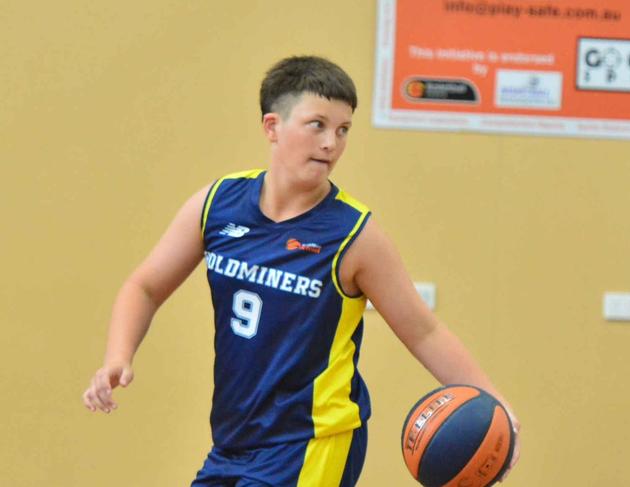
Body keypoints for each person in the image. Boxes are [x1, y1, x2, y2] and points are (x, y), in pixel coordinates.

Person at [83, 55, 520, 486]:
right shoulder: (217, 204)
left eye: (343, 130)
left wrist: (496, 407)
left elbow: (424, 331)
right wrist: (118, 357)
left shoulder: (353, 235)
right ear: (272, 127)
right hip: (232, 441)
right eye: (318, 125)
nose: (332, 143)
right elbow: (144, 286)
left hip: (312, 442)